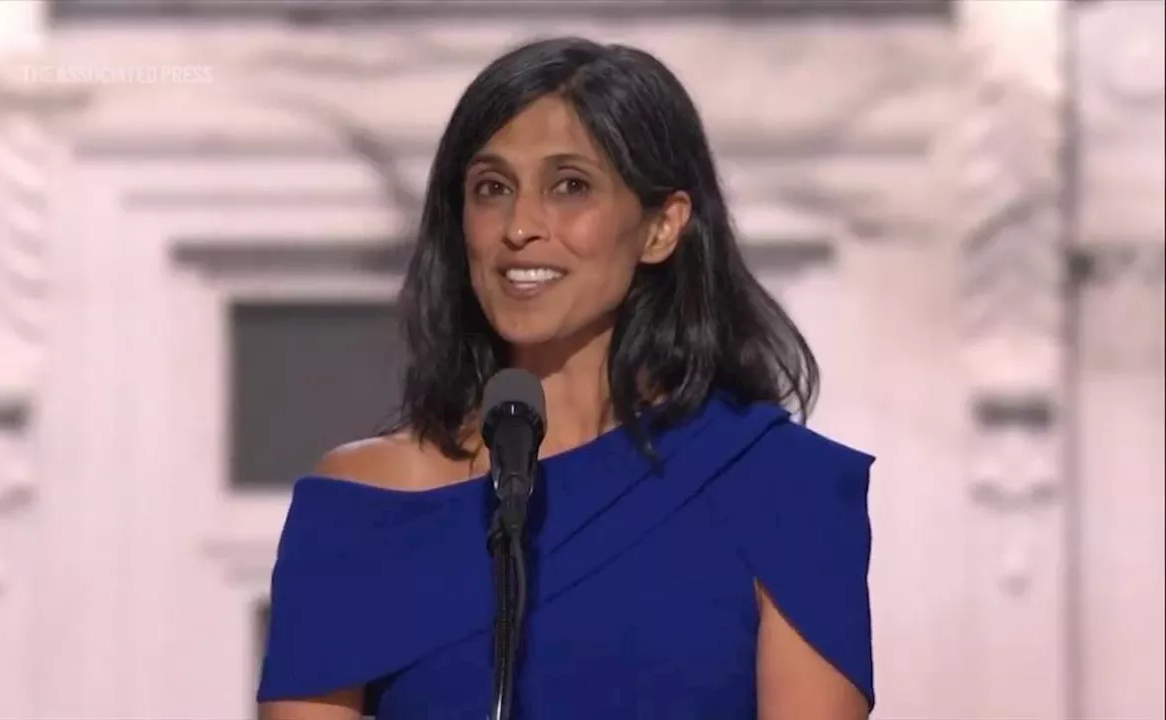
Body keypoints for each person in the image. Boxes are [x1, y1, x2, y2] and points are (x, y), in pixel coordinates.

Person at [257, 36, 874, 720]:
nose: (520, 226)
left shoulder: (782, 486)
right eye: (492, 189)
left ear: (661, 227)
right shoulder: (361, 506)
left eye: (569, 186)